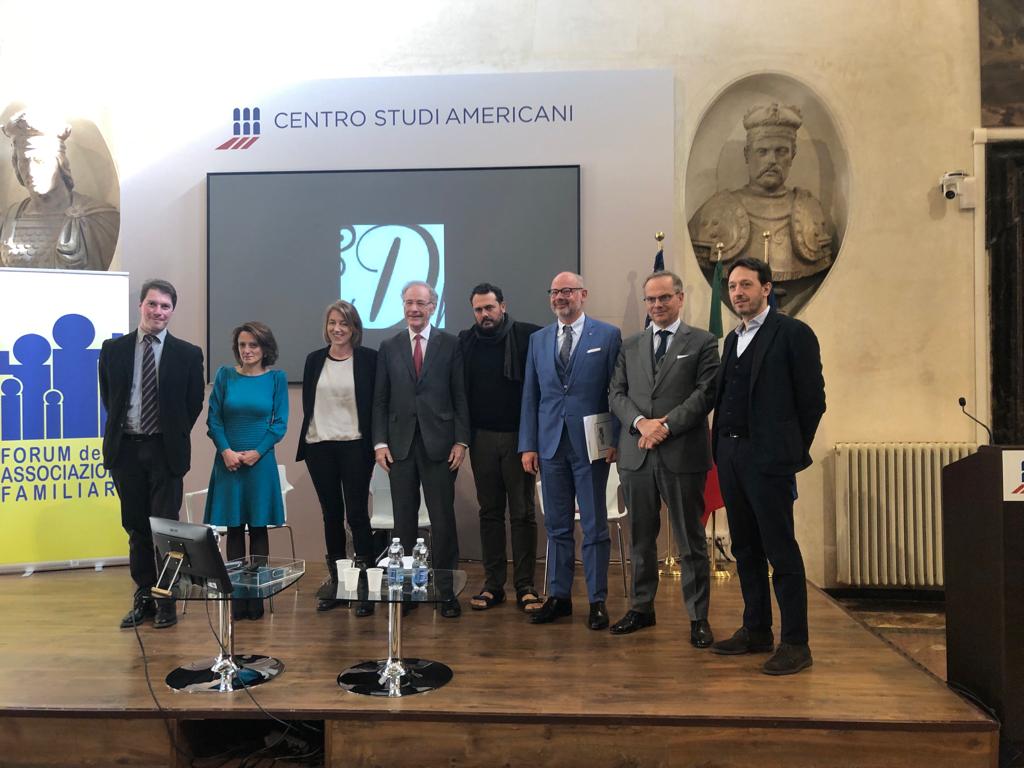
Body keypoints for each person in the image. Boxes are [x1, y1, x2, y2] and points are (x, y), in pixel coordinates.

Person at [709, 257, 826, 675]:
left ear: (766, 288)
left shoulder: (793, 333)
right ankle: (756, 629)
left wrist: (790, 450)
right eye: (733, 287)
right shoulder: (731, 341)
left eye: (745, 285)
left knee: (781, 549)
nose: (737, 292)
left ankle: (796, 642)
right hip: (731, 455)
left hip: (769, 459)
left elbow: (813, 401)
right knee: (744, 548)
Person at [608, 270, 719, 646]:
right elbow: (616, 394)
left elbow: (705, 394)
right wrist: (641, 424)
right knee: (641, 538)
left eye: (664, 298)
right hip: (637, 456)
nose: (657, 305)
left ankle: (698, 617)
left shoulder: (703, 342)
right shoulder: (630, 345)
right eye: (651, 300)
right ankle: (642, 608)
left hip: (682, 454)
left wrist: (664, 427)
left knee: (690, 540)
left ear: (680, 298)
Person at [99, 279, 204, 630]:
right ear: (140, 306)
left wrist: (169, 434)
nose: (158, 311)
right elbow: (110, 399)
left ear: (172, 311)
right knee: (136, 527)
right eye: (152, 304)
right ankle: (143, 595)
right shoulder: (112, 350)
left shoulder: (188, 353)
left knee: (165, 529)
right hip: (125, 450)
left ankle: (166, 599)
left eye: (165, 306)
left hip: (165, 452)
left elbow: (193, 403)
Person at [519, 272, 621, 630]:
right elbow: (531, 396)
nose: (560, 297)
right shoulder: (538, 340)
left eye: (567, 291)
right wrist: (528, 444)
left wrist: (616, 440)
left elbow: (617, 392)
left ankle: (596, 601)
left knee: (594, 526)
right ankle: (559, 597)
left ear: (583, 295)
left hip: (592, 446)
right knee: (557, 526)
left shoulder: (607, 336)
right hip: (549, 446)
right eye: (555, 292)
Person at [372, 281, 470, 618]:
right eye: (409, 302)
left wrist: (461, 440)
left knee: (442, 520)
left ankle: (445, 591)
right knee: (403, 524)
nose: (414, 309)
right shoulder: (389, 345)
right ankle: (407, 592)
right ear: (403, 306)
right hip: (399, 446)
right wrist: (380, 442)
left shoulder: (450, 344)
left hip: (440, 445)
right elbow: (380, 399)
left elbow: (460, 395)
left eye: (421, 303)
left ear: (433, 306)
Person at [457, 283, 542, 612]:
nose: (484, 315)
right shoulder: (467, 342)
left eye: (489, 308)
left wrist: (531, 440)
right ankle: (494, 584)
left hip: (519, 440)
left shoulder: (527, 337)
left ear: (502, 306)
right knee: (490, 513)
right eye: (478, 309)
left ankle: (525, 586)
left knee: (522, 514)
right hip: (482, 439)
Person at [688, 103, 833, 284]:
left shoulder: (811, 211)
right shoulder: (715, 211)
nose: (772, 160)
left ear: (793, 154)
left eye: (781, 151)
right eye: (762, 151)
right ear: (747, 154)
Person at [296, 301, 379, 615]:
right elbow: (310, 405)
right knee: (330, 514)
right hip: (320, 447)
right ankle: (338, 582)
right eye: (332, 322)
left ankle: (366, 588)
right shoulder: (313, 360)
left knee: (357, 515)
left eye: (344, 323)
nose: (337, 329)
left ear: (355, 328)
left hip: (356, 447)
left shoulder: (369, 359)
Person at [204, 322, 288, 621]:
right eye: (242, 345)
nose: (247, 350)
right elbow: (214, 420)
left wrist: (256, 452)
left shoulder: (277, 378)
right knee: (235, 529)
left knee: (259, 528)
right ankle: (237, 597)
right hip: (228, 461)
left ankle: (257, 597)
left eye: (253, 345)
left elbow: (279, 424)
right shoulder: (225, 376)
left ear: (265, 348)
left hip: (259, 462)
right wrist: (226, 451)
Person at [0, 110, 119, 270]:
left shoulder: (98, 220)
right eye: (23, 162)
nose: (31, 171)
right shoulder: (7, 220)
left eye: (39, 160)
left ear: (59, 161)